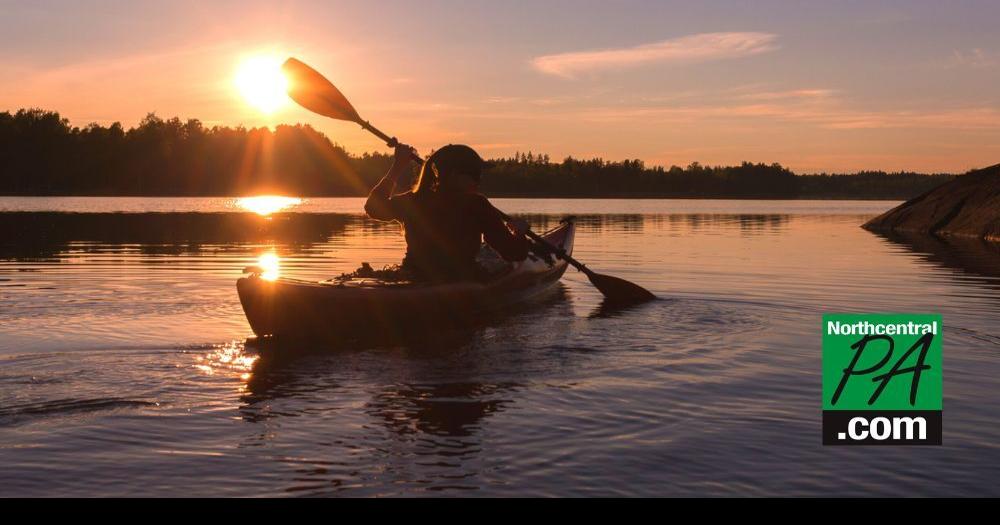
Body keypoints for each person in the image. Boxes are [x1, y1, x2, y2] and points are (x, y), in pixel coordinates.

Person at [364, 143, 530, 282]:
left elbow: (373, 208)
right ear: (454, 175)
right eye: (475, 175)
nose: (479, 181)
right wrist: (519, 233)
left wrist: (397, 166)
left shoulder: (413, 201)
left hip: (415, 277)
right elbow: (514, 253)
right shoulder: (477, 204)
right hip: (460, 279)